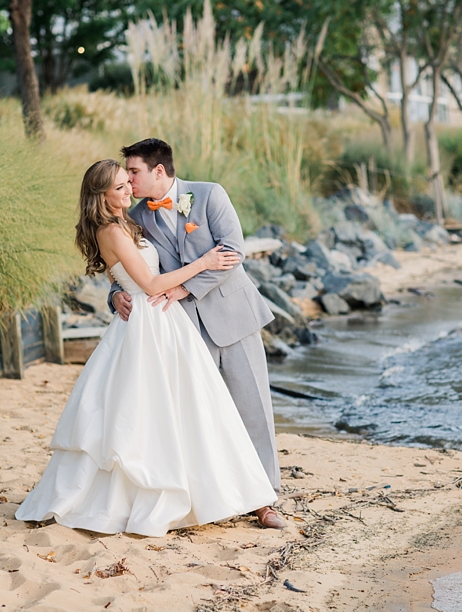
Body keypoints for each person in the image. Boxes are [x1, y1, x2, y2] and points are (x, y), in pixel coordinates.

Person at [14, 160, 278, 537]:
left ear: (157, 170)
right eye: (120, 186)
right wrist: (199, 263)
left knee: (211, 409)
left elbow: (221, 252)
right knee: (153, 412)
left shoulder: (160, 210)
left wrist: (128, 287)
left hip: (189, 321)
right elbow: (149, 283)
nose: (129, 189)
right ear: (100, 195)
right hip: (150, 323)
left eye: (129, 180)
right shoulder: (115, 227)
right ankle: (161, 492)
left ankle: (259, 496)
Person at [108, 138, 286, 530]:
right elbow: (129, 266)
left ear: (159, 170)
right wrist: (115, 294)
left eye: (134, 172)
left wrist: (185, 288)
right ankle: (219, 495)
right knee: (203, 416)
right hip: (180, 330)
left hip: (233, 316)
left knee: (253, 408)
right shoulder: (135, 216)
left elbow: (233, 250)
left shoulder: (208, 195)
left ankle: (265, 500)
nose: (130, 180)